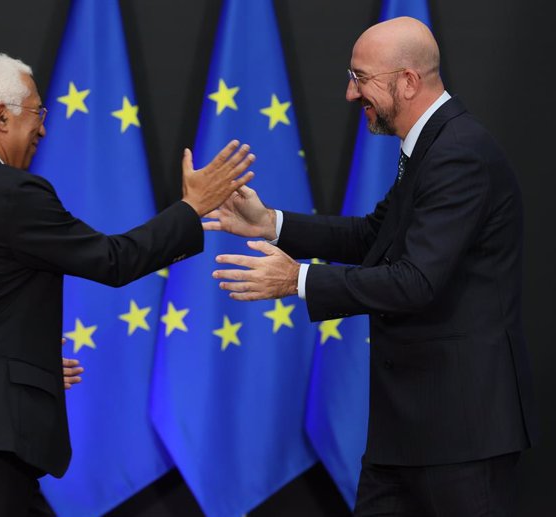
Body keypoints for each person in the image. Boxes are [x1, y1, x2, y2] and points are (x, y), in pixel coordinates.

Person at [0, 51, 254, 516]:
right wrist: (191, 209)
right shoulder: (12, 193)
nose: (43, 128)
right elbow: (112, 260)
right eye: (37, 112)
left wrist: (14, 361)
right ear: (1, 116)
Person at [207, 16, 536, 516]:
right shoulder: (431, 149)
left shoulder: (458, 154)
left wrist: (296, 278)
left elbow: (416, 282)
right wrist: (269, 223)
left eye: (360, 78)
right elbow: (372, 237)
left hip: (462, 434)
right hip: (408, 430)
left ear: (407, 82)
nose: (348, 93)